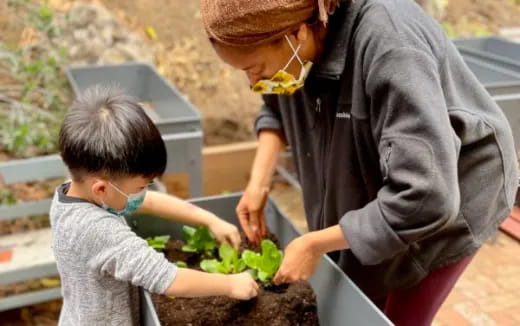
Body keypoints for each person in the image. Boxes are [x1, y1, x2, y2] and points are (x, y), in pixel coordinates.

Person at [200, 0, 517, 325]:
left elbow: (426, 197)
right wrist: (258, 183)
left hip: (451, 194)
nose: (253, 82)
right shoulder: (297, 48)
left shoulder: (391, 46)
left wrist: (314, 243)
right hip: (391, 177)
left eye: (255, 68)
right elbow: (275, 106)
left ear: (297, 34)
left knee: (398, 316)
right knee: (366, 286)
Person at [50, 85, 258, 325]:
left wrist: (208, 219)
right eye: (140, 187)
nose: (144, 193)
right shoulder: (98, 231)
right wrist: (231, 284)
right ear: (102, 189)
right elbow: (168, 279)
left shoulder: (72, 191)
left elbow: (148, 202)